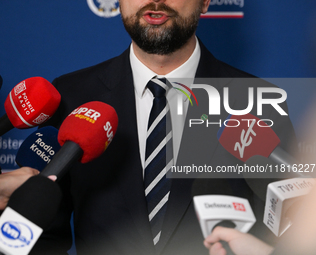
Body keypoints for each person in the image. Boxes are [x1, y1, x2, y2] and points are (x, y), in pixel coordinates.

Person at [33, 0, 295, 254]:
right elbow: (42, 235)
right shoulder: (72, 96)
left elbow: (292, 232)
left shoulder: (259, 101)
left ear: (205, 2)